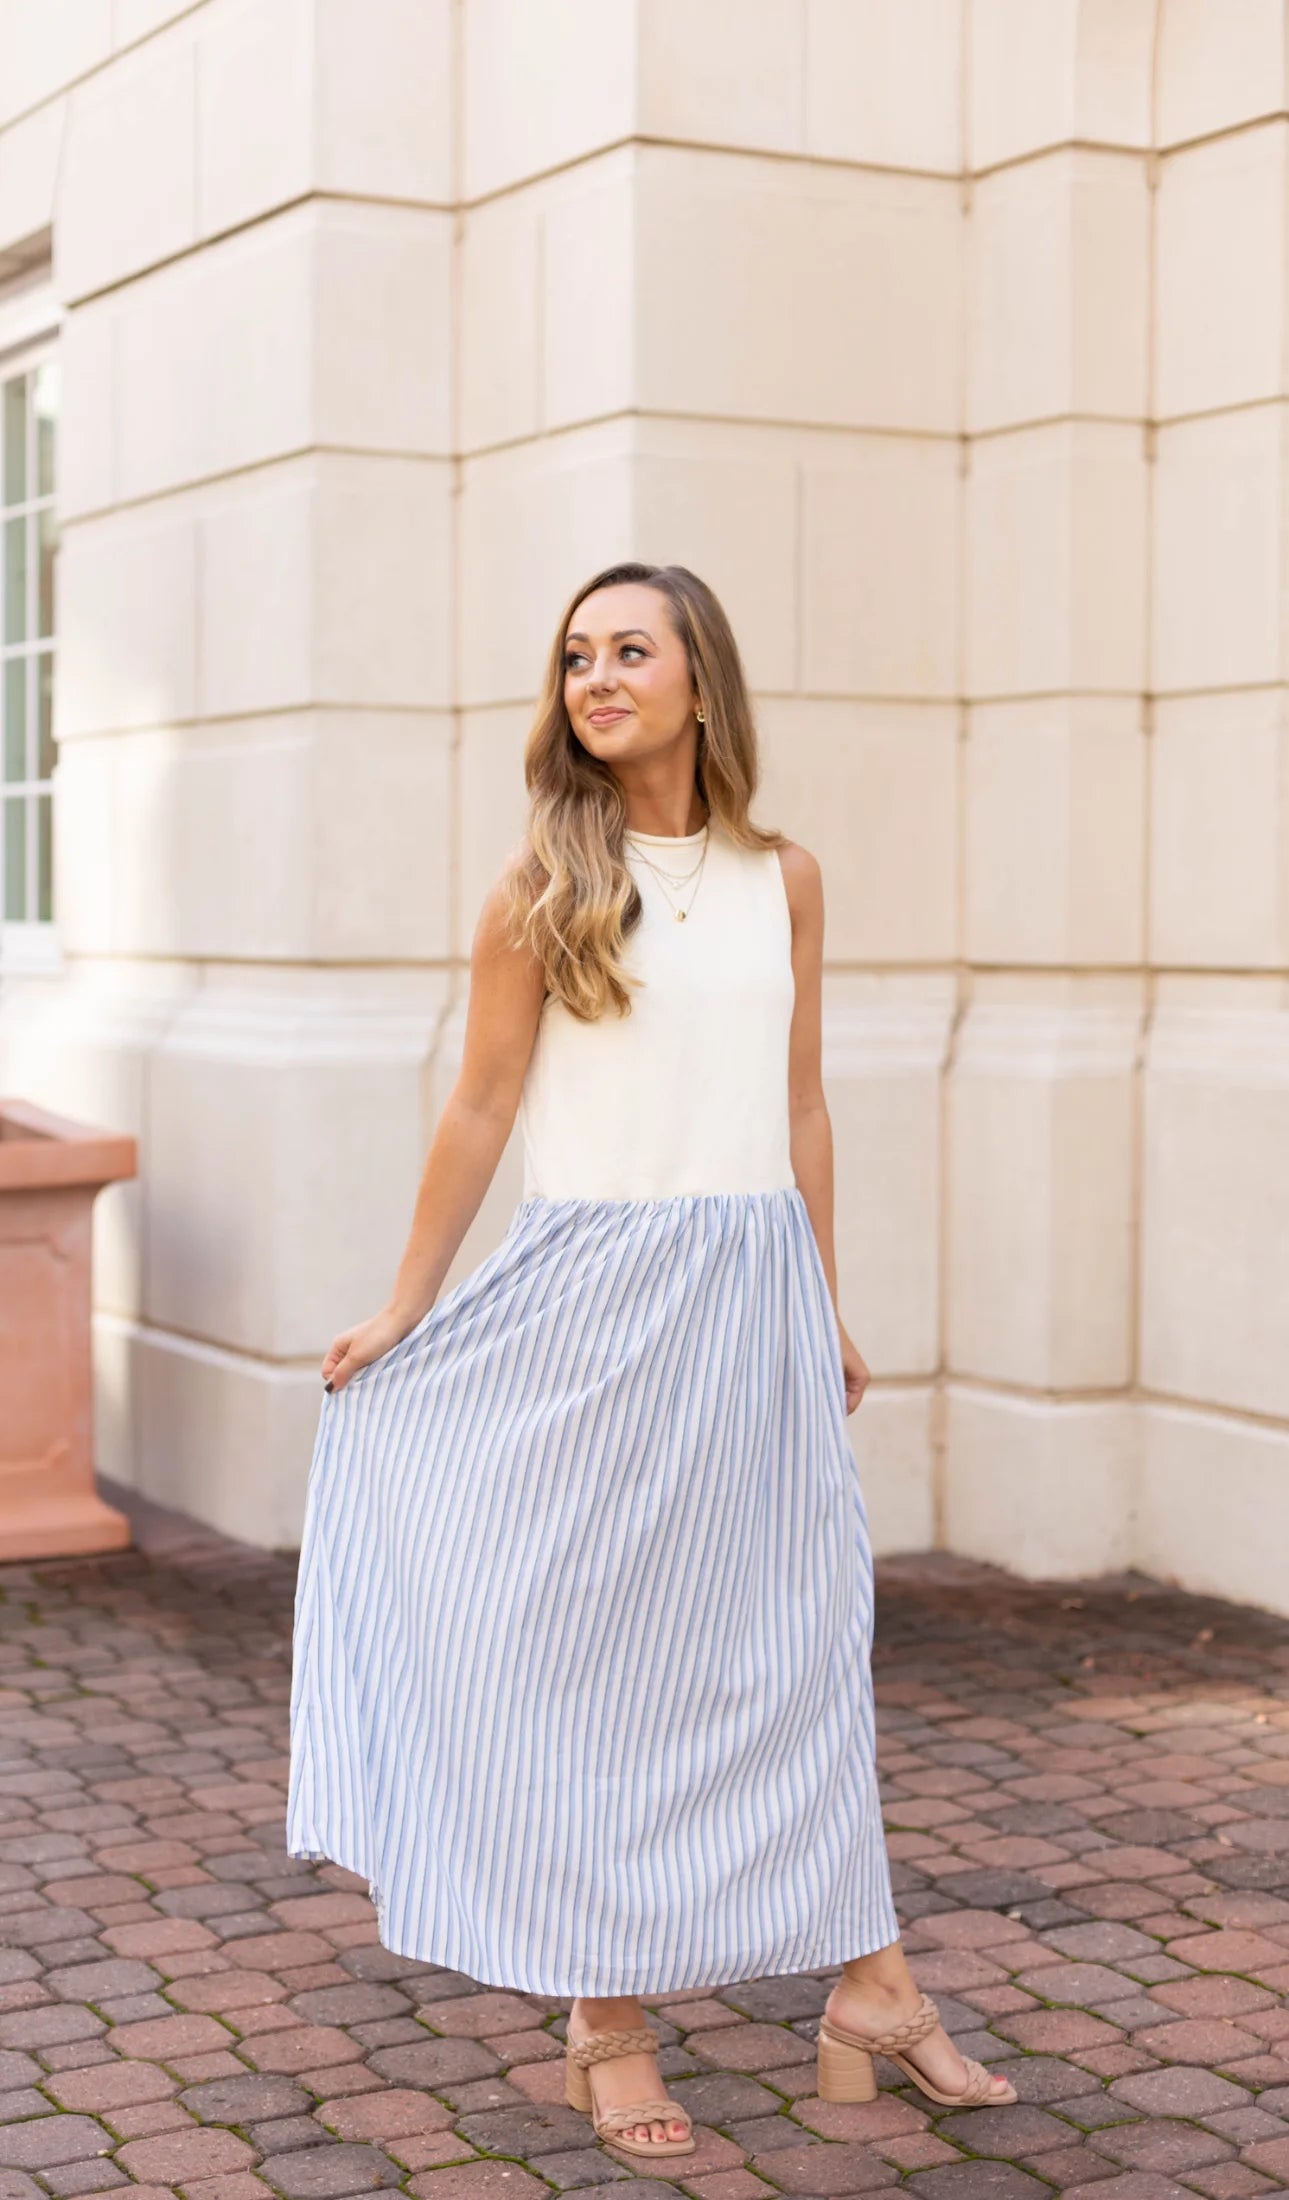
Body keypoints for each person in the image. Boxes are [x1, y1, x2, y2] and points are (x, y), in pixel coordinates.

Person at [285, 561, 1016, 2158]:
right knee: (600, 1659)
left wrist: (817, 1299)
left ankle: (873, 1989)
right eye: (573, 657)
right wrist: (410, 1301)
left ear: (702, 680)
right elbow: (478, 1107)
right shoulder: (542, 885)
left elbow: (800, 1098)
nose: (596, 677)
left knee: (799, 1641)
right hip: (594, 1299)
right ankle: (602, 2016)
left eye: (629, 649)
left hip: (750, 1294)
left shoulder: (785, 877)